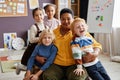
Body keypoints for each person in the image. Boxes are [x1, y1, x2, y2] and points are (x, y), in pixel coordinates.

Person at [36, 8, 96, 80]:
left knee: (79, 77)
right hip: (56, 64)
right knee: (48, 76)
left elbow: (96, 44)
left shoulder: (79, 31)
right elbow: (40, 45)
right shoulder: (53, 32)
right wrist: (37, 57)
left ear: (73, 19)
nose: (66, 21)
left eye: (68, 19)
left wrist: (95, 53)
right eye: (63, 19)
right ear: (60, 20)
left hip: (74, 64)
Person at [16, 7, 48, 75]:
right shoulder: (34, 27)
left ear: (44, 15)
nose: (39, 17)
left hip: (41, 48)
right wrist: (41, 38)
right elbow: (32, 40)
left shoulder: (46, 27)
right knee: (28, 65)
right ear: (33, 17)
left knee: (37, 65)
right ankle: (20, 66)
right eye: (36, 15)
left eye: (40, 14)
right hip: (33, 48)